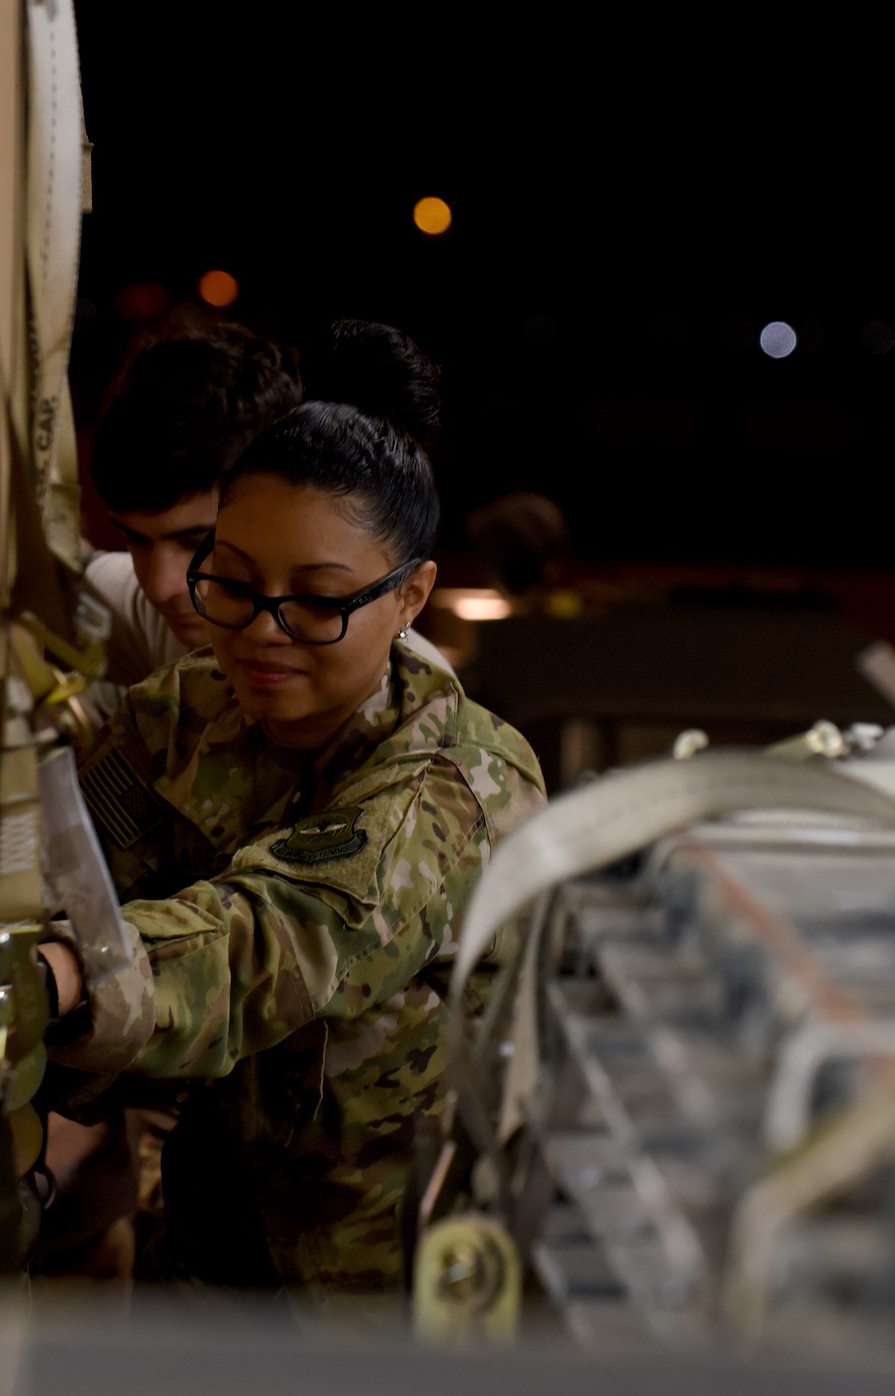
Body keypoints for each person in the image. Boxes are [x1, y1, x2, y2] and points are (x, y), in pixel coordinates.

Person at [40, 321, 545, 1304]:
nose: (261, 632)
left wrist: (52, 976)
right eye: (231, 583)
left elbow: (268, 939)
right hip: (205, 1265)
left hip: (378, 1308)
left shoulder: (452, 786)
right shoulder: (189, 712)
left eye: (315, 601)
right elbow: (77, 866)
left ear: (411, 598)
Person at [83, 309, 304, 687]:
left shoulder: (392, 697)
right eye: (136, 539)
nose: (160, 587)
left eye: (200, 543)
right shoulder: (140, 607)